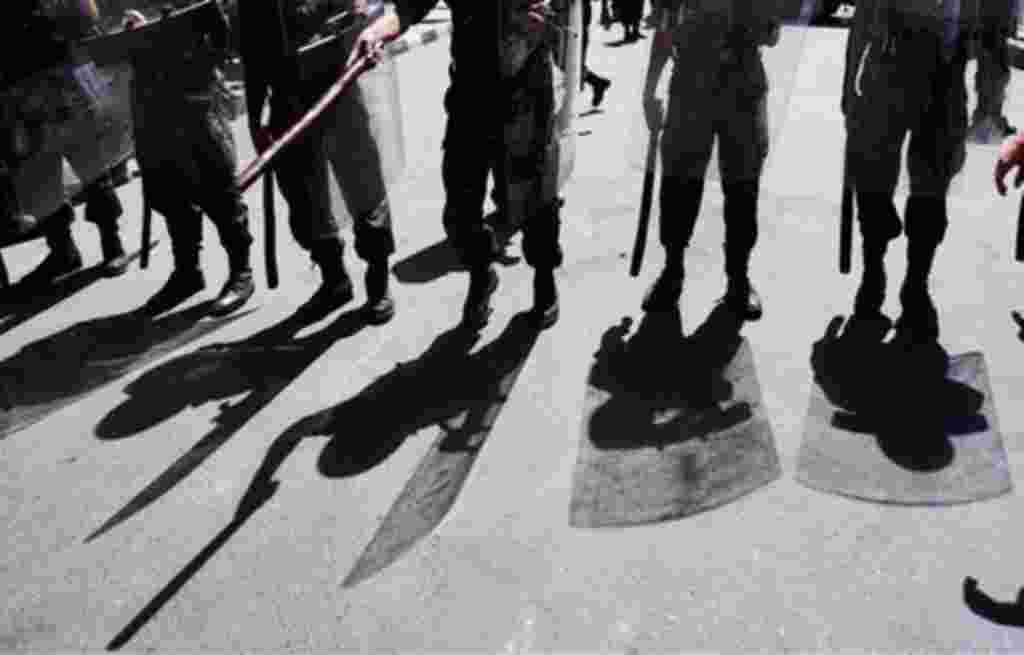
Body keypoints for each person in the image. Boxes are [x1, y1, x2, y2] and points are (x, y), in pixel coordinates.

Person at [348, 0, 566, 329]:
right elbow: (408, 8)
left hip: (528, 95)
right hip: (470, 97)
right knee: (460, 210)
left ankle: (544, 280)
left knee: (536, 199)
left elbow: (567, 15)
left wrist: (549, 21)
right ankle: (481, 274)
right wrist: (377, 31)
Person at [240, 0, 398, 325]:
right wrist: (256, 118)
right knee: (303, 198)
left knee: (362, 185)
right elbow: (253, 53)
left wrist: (359, 20)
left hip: (336, 85)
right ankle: (334, 279)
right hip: (286, 99)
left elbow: (364, 12)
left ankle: (378, 281)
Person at [640, 0, 780, 320]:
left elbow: (773, 34)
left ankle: (738, 279)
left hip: (743, 89)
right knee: (678, 183)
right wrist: (650, 88)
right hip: (690, 85)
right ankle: (672, 271)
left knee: (743, 189)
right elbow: (663, 24)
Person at [840, 0, 969, 344]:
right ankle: (873, 270)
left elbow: (992, 20)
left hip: (945, 76)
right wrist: (848, 87)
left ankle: (916, 285)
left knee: (931, 188)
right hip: (888, 66)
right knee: (873, 179)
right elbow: (865, 15)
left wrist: (990, 95)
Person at [130, 0, 255, 318]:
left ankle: (241, 272)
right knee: (172, 196)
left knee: (219, 192)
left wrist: (199, 66)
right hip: (152, 107)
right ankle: (188, 273)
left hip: (195, 103)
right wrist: (132, 28)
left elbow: (221, 34)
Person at [4, 0, 132, 289]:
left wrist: (95, 87)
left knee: (89, 162)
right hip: (14, 84)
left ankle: (113, 244)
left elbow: (85, 15)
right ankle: (63, 252)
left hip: (62, 72)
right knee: (36, 176)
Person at [967, 5, 1017, 143]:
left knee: (995, 71)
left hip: (993, 18)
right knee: (992, 71)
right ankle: (986, 123)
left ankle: (990, 121)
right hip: (991, 19)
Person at [582, 0, 611, 108]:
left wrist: (605, 8)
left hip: (576, 22)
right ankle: (597, 82)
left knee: (568, 63)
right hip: (568, 19)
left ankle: (596, 82)